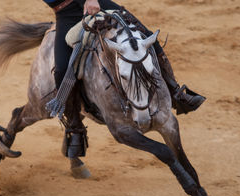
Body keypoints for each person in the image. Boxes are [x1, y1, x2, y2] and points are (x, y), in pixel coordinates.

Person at [43, 0, 206, 158]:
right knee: (61, 71)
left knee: (146, 37)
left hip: (96, 3)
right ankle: (75, 127)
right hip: (64, 13)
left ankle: (175, 91)